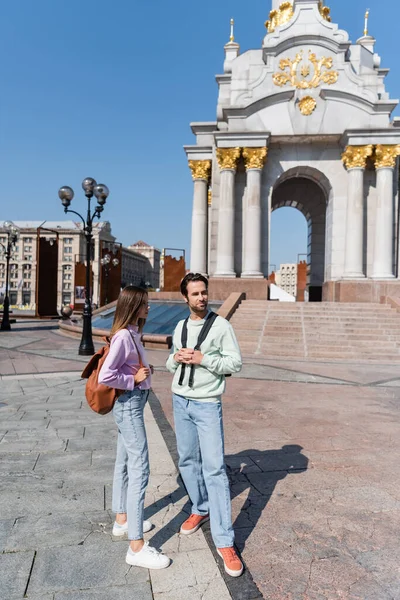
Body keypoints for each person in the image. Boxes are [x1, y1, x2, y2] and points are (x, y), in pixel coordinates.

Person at [166, 273, 244, 577]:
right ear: (185, 298)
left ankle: (225, 541)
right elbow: (169, 364)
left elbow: (234, 363)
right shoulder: (181, 326)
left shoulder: (222, 326)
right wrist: (178, 357)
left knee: (214, 469)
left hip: (207, 403)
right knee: (187, 460)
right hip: (179, 400)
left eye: (203, 292)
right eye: (195, 293)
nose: (201, 297)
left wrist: (204, 359)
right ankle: (200, 507)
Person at [99, 285, 171, 570]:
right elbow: (107, 375)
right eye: (145, 303)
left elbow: (127, 369)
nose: (149, 307)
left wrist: (143, 373)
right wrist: (134, 379)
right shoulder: (123, 338)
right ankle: (136, 546)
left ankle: (123, 520)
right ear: (133, 305)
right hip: (129, 406)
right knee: (140, 467)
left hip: (131, 404)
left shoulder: (131, 333)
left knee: (125, 462)